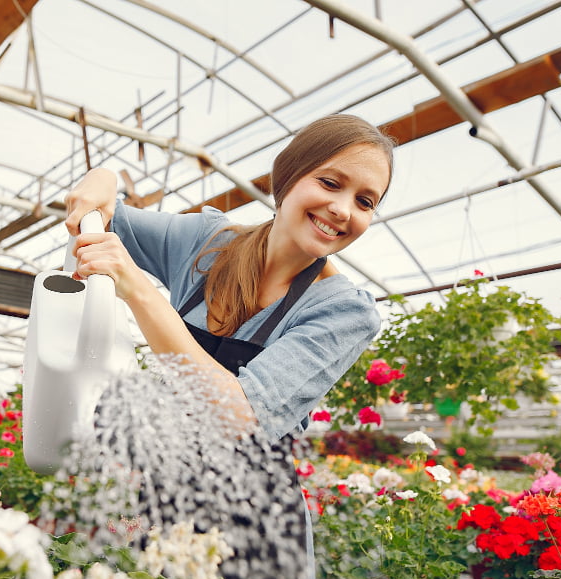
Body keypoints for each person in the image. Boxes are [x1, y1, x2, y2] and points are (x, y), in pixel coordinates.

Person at [64, 114, 394, 438]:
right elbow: (104, 217)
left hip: (247, 491)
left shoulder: (344, 312)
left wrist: (138, 291)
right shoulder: (206, 241)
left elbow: (240, 416)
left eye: (364, 202)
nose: (343, 209)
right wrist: (102, 177)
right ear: (289, 176)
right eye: (330, 183)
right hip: (164, 485)